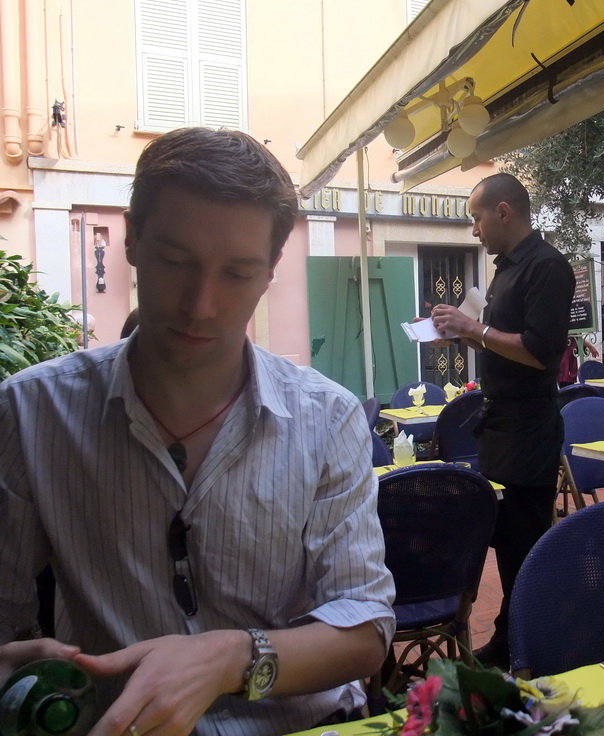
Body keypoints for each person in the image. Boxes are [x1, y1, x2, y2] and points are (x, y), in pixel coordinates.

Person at [0, 128, 396, 736]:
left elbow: (366, 627)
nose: (201, 304)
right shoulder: (30, 414)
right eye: (176, 261)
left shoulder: (328, 418)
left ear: (270, 271)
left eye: (236, 273)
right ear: (131, 238)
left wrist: (232, 658)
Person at [430, 173, 574, 669]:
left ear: (504, 212)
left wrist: (475, 328)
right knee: (507, 543)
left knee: (525, 547)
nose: (474, 230)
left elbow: (539, 353)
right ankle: (511, 637)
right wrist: (458, 331)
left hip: (529, 431)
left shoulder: (549, 268)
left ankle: (528, 643)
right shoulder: (507, 269)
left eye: (476, 217)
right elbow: (497, 340)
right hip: (498, 428)